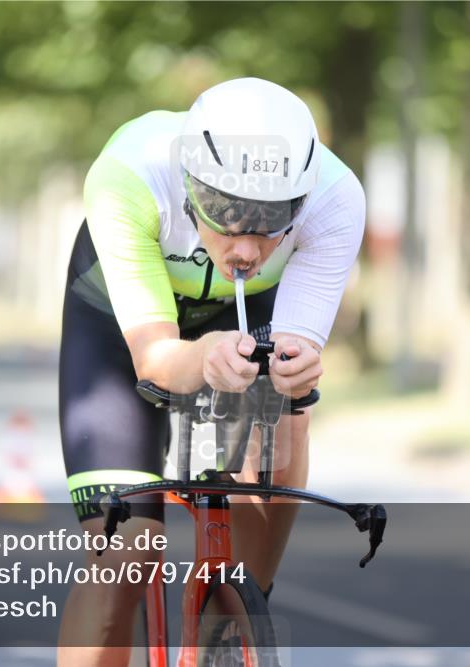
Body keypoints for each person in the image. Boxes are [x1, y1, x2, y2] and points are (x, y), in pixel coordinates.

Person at [57, 77, 366, 666]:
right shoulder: (128, 174)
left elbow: (295, 358)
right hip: (120, 328)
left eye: (272, 220)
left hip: (245, 315)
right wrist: (203, 356)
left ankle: (238, 611)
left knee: (288, 408)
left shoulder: (336, 198)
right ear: (192, 187)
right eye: (225, 214)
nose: (247, 248)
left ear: (300, 201)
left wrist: (296, 374)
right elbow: (155, 360)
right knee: (126, 558)